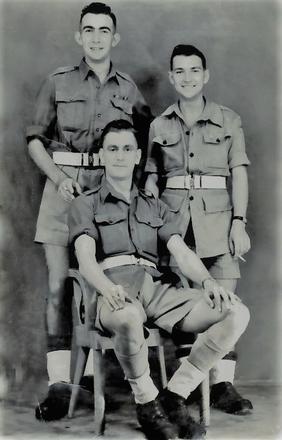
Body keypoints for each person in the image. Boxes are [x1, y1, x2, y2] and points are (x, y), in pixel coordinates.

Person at [68, 119, 250, 440]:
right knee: (126, 315)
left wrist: (208, 282)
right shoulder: (86, 203)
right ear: (102, 155)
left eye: (127, 149)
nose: (120, 156)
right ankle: (147, 402)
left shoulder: (156, 206)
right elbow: (85, 258)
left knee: (236, 312)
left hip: (157, 290)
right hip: (114, 288)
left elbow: (180, 252)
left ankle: (175, 394)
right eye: (113, 149)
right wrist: (107, 288)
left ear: (138, 155)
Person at [26, 2, 152, 420]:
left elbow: (144, 143)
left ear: (114, 38)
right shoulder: (57, 82)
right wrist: (57, 177)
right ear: (79, 36)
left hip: (108, 192)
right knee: (61, 287)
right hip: (62, 189)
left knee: (109, 279)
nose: (96, 37)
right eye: (89, 30)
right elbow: (34, 140)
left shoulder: (129, 89)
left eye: (104, 30)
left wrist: (139, 182)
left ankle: (125, 381)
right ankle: (61, 384)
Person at [145, 44, 252, 415]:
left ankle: (223, 386)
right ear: (172, 77)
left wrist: (240, 222)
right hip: (175, 226)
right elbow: (151, 178)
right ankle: (189, 387)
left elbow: (238, 173)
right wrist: (151, 222)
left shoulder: (228, 119)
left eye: (195, 70)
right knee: (188, 309)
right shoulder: (159, 125)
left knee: (226, 304)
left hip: (219, 224)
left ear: (205, 76)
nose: (187, 77)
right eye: (180, 71)